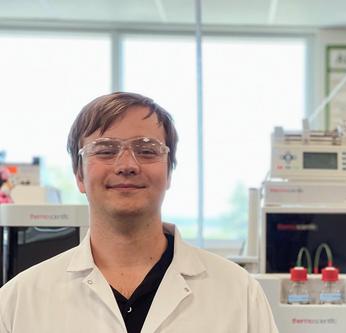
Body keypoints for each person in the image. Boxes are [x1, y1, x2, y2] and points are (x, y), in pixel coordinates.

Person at [0, 92, 279, 333]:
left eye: (146, 150)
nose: (127, 165)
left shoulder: (239, 294)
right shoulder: (19, 301)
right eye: (105, 150)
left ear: (169, 172)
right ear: (79, 174)